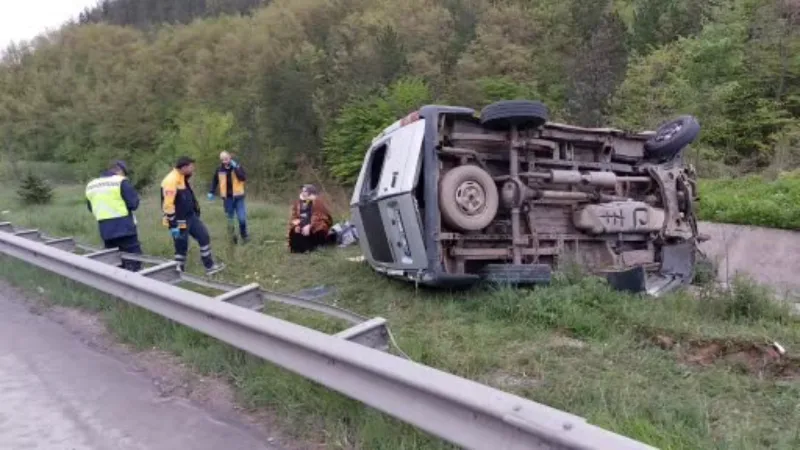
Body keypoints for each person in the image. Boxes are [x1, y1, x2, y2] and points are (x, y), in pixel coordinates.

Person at [161, 156, 224, 275]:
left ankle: (209, 266)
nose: (193, 169)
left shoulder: (182, 176)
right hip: (179, 219)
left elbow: (187, 195)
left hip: (190, 216)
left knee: (204, 236)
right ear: (184, 167)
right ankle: (179, 271)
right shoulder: (171, 180)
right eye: (191, 167)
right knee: (181, 245)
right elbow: (168, 204)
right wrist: (173, 224)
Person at [85, 160, 143, 272]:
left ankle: (117, 286)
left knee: (114, 261)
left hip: (105, 229)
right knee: (133, 260)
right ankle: (134, 286)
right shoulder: (120, 181)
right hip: (125, 227)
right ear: (120, 171)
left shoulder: (91, 185)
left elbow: (90, 207)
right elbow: (133, 204)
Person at [207, 151, 249, 244]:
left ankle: (244, 236)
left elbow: (243, 178)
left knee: (242, 219)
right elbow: (215, 181)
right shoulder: (219, 169)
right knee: (230, 219)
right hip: (227, 199)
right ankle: (232, 237)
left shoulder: (237, 167)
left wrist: (236, 168)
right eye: (223, 160)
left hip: (239, 197)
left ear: (230, 157)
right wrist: (211, 192)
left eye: (226, 159)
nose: (225, 161)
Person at [287, 184, 334, 253]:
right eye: (302, 191)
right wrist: (297, 225)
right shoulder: (298, 204)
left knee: (320, 226)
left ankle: (319, 245)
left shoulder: (318, 202)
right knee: (294, 232)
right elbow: (294, 217)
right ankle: (303, 247)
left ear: (311, 192)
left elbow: (321, 217)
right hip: (303, 227)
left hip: (315, 228)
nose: (303, 193)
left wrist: (309, 226)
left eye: (305, 191)